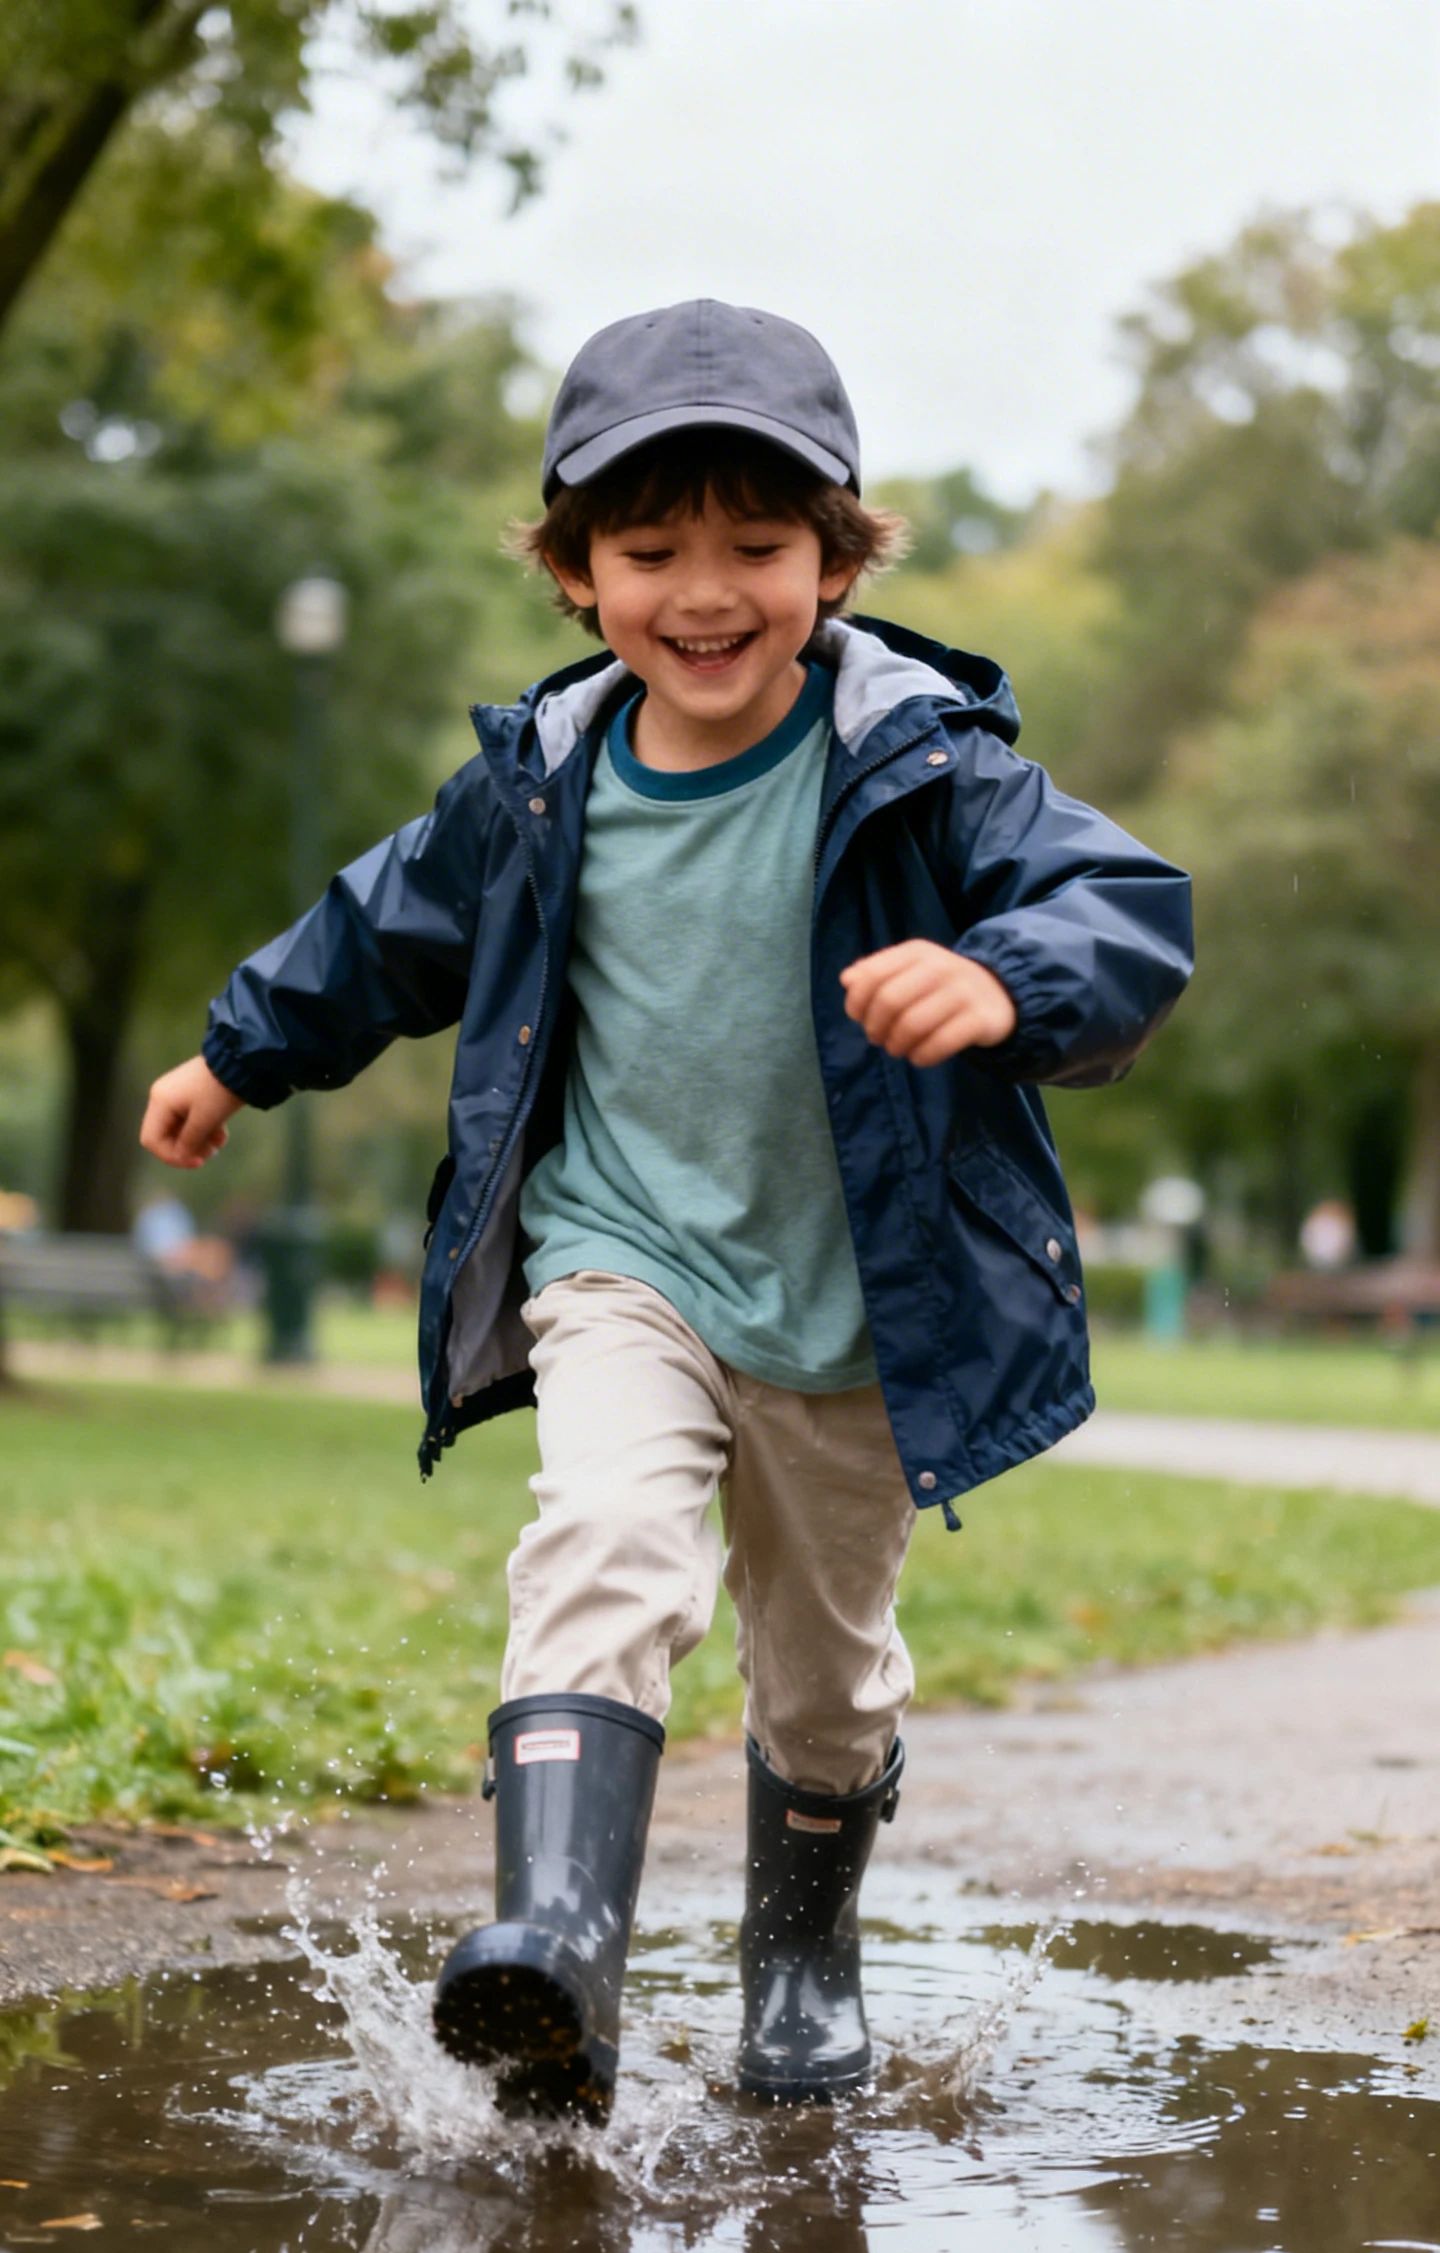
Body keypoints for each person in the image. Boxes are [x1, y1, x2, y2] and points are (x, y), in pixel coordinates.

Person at [140, 300, 1193, 2123]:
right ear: (573, 572)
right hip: (628, 1259)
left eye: (759, 549)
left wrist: (1008, 974)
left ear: (839, 558)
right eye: (648, 552)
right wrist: (237, 1050)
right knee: (606, 1546)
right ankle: (556, 1947)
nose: (704, 594)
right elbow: (377, 929)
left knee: (828, 1681)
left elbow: (1123, 900)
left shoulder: (925, 765)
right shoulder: (541, 784)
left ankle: (801, 1961)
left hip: (859, 1308)